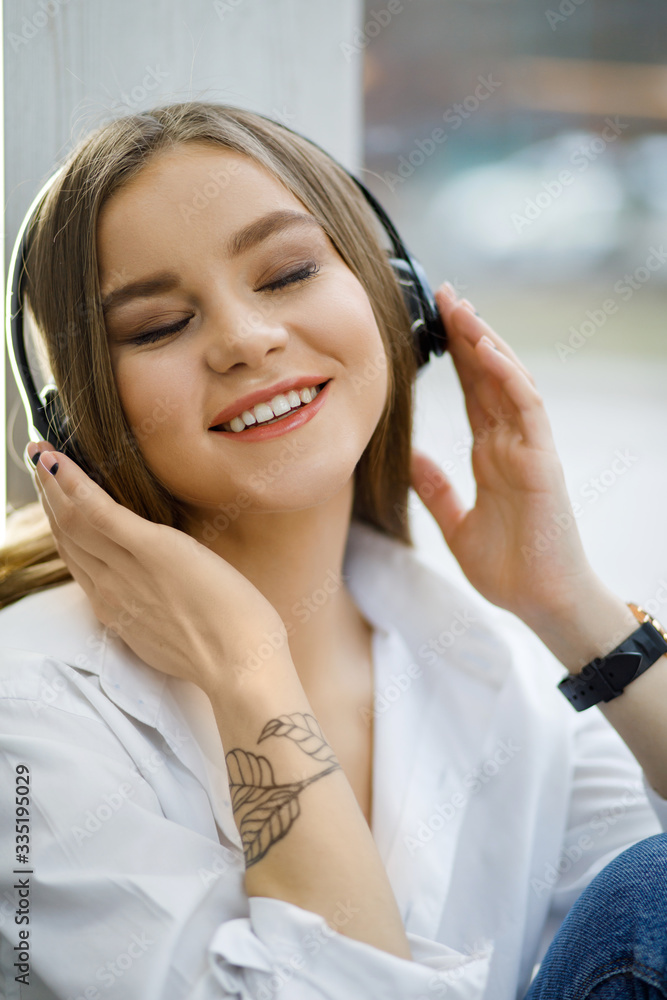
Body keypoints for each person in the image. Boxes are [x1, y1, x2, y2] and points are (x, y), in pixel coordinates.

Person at [0, 101, 665, 1000]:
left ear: (398, 297)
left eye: (287, 272)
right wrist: (248, 671)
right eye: (157, 326)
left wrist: (569, 605)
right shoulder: (29, 714)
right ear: (75, 424)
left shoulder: (480, 658)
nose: (244, 340)